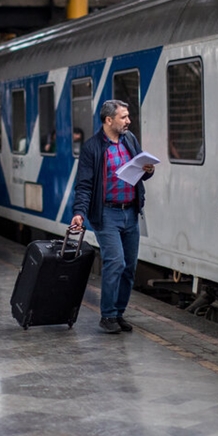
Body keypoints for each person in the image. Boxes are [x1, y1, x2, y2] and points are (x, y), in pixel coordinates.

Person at [71, 100, 155, 334]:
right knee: (115, 261)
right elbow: (84, 185)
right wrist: (79, 213)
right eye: (123, 117)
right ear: (109, 120)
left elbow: (140, 171)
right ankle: (107, 315)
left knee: (129, 266)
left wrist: (148, 170)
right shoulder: (92, 148)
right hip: (106, 213)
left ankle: (118, 313)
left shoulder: (130, 140)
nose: (129, 121)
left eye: (128, 116)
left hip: (130, 211)